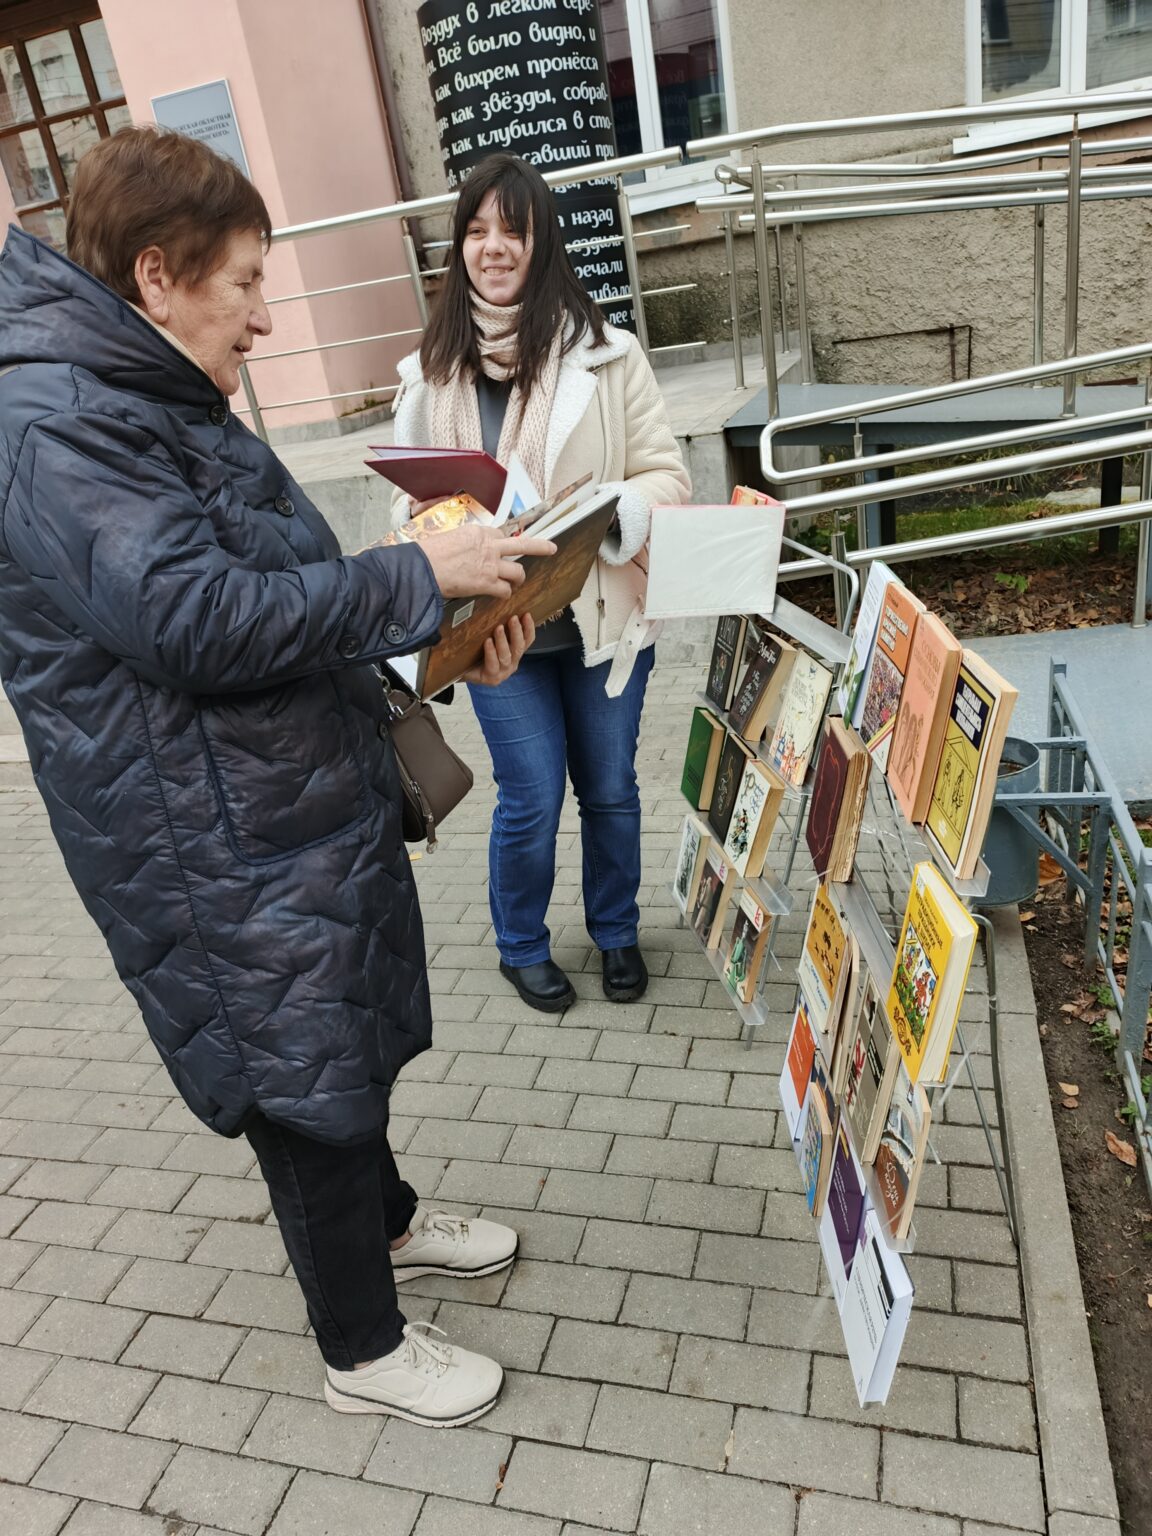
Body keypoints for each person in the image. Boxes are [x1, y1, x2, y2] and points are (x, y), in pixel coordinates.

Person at [0, 128, 557, 1428]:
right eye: (245, 282)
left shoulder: (136, 388)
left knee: (332, 1043)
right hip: (204, 843)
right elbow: (192, 618)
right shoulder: (58, 417)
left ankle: (392, 1228)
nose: (265, 315)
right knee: (300, 1077)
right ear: (157, 275)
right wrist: (414, 578)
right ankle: (362, 1351)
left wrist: (442, 625)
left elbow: (270, 591)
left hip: (263, 812)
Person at [392, 153, 690, 1013]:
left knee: (611, 790)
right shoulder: (429, 375)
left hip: (601, 616)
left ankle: (616, 932)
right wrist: (434, 527)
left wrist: (607, 511)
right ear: (459, 244)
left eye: (512, 229)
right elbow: (405, 503)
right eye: (477, 230)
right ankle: (520, 946)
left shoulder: (609, 356)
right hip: (496, 634)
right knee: (528, 796)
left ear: (541, 241)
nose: (494, 247)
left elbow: (667, 474)